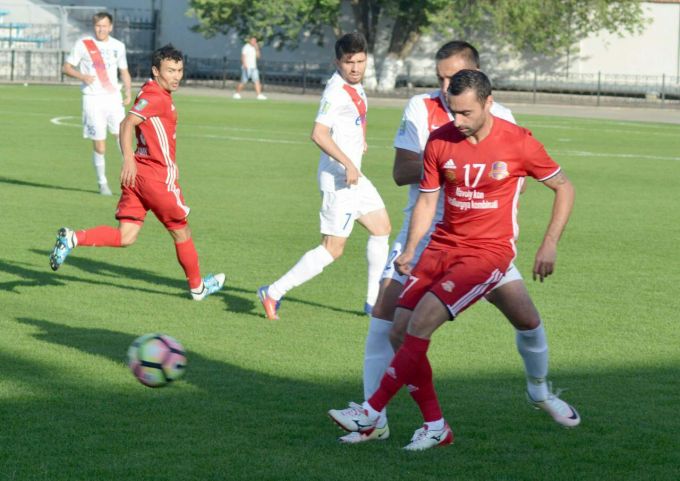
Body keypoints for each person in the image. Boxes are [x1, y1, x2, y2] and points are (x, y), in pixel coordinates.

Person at [338, 41, 577, 445]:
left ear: (488, 102)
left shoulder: (516, 138)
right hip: (443, 247)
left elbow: (563, 186)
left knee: (425, 324)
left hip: (489, 253)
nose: (458, 119)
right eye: (453, 109)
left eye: (466, 111)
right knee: (398, 327)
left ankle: (372, 410)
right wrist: (412, 250)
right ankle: (434, 425)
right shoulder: (439, 139)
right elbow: (427, 199)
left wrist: (549, 243)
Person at [49, 44, 225, 302]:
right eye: (170, 70)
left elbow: (127, 122)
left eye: (179, 70)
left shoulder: (150, 90)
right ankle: (198, 288)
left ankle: (73, 238)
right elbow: (127, 123)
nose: (176, 76)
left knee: (126, 236)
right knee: (181, 231)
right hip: (156, 177)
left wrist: (131, 162)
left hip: (138, 178)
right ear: (156, 71)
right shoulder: (157, 97)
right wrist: (128, 159)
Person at [257, 32, 391, 320]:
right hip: (340, 179)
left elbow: (358, 117)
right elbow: (318, 133)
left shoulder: (356, 86)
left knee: (382, 227)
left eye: (360, 61)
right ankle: (273, 291)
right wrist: (348, 164)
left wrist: (361, 140)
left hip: (354, 177)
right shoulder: (336, 91)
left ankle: (373, 304)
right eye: (348, 62)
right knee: (332, 249)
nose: (355, 68)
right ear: (337, 62)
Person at [62, 11, 132, 196]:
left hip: (113, 98)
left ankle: (133, 182)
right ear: (94, 27)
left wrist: (128, 91)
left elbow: (124, 71)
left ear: (111, 27)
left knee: (122, 139)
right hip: (92, 99)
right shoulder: (84, 45)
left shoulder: (119, 46)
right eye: (97, 26)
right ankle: (102, 183)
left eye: (104, 26)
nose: (101, 29)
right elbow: (67, 67)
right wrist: (82, 76)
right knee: (100, 145)